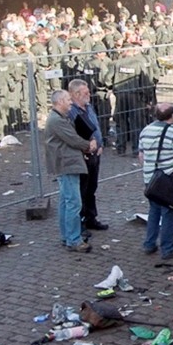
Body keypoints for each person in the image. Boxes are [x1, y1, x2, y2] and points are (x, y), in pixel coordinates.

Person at [45, 89, 96, 253]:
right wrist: (88, 146)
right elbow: (72, 139)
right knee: (73, 202)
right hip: (66, 163)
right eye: (68, 99)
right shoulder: (56, 120)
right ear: (59, 102)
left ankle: (68, 236)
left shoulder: (60, 117)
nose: (71, 102)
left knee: (66, 202)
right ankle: (74, 239)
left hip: (66, 162)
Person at [138, 103, 173, 259]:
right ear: (172, 116)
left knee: (154, 210)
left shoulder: (145, 130)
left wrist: (148, 171)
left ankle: (149, 244)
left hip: (151, 178)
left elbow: (141, 155)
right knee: (169, 212)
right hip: (168, 178)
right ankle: (168, 249)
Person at [68, 79, 108, 231]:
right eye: (86, 92)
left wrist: (100, 144)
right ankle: (80, 221)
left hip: (95, 153)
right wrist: (86, 148)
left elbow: (95, 127)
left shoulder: (89, 107)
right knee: (82, 189)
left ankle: (91, 217)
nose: (89, 95)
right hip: (83, 155)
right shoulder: (71, 111)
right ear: (76, 94)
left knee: (92, 187)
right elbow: (74, 134)